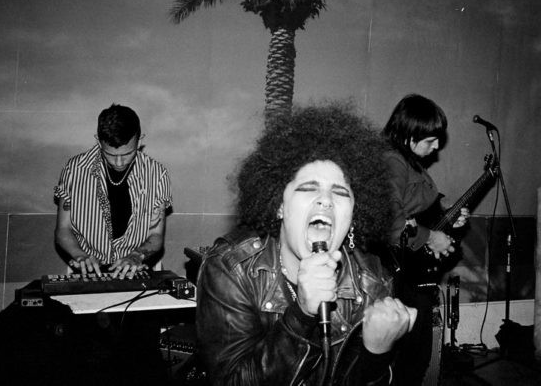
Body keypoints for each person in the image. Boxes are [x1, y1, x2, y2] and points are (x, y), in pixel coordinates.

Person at [195, 103, 417, 385]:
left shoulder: (371, 280)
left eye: (340, 192)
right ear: (279, 206)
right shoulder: (231, 268)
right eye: (308, 189)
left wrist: (376, 352)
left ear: (354, 215)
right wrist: (301, 315)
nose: (325, 200)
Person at [382, 94, 468, 386]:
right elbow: (390, 220)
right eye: (430, 140)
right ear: (409, 136)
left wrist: (447, 214)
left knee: (417, 355)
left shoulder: (410, 163)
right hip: (397, 276)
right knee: (412, 357)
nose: (436, 147)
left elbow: (416, 207)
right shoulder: (392, 162)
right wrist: (431, 237)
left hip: (410, 274)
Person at [54, 103, 172, 278]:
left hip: (136, 271)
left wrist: (135, 256)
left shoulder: (156, 174)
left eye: (127, 154)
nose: (119, 162)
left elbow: (156, 235)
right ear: (98, 141)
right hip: (87, 272)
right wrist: (80, 255)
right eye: (110, 154)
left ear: (140, 141)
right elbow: (63, 230)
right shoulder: (74, 170)